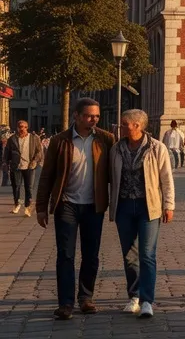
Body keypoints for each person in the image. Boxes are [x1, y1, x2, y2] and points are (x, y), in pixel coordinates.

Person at [35, 98, 114, 320]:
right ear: (76, 116)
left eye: (96, 116)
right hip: (66, 204)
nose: (94, 120)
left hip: (93, 205)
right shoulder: (60, 141)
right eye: (89, 116)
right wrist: (41, 207)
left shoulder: (106, 139)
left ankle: (86, 298)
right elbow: (47, 175)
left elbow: (115, 173)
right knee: (65, 255)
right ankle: (66, 303)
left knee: (91, 255)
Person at [110, 109, 175, 319]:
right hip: (124, 206)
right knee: (129, 255)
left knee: (147, 254)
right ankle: (134, 296)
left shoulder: (156, 148)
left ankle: (147, 300)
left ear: (137, 126)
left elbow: (166, 178)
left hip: (149, 206)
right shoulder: (116, 149)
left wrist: (169, 205)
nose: (121, 127)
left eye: (124, 123)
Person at [6, 120, 42, 216]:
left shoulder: (34, 138)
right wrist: (5, 163)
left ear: (27, 128)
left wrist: (34, 161)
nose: (22, 129)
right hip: (16, 167)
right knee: (16, 187)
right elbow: (7, 152)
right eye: (20, 127)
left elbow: (39, 151)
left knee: (29, 188)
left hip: (30, 166)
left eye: (24, 127)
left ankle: (27, 207)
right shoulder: (12, 139)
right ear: (17, 128)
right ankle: (17, 204)